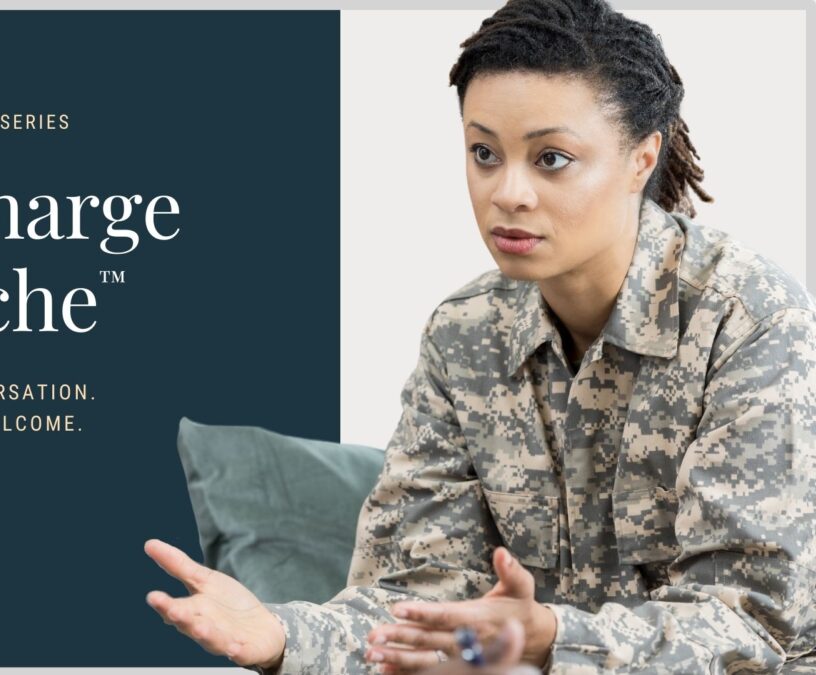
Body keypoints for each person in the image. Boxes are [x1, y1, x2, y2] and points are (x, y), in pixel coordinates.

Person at [144, 0, 816, 672]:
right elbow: (415, 602)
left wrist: (550, 634)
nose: (508, 192)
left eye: (551, 158)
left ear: (642, 158)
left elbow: (752, 624)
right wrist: (283, 637)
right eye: (484, 153)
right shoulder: (462, 336)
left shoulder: (749, 318)